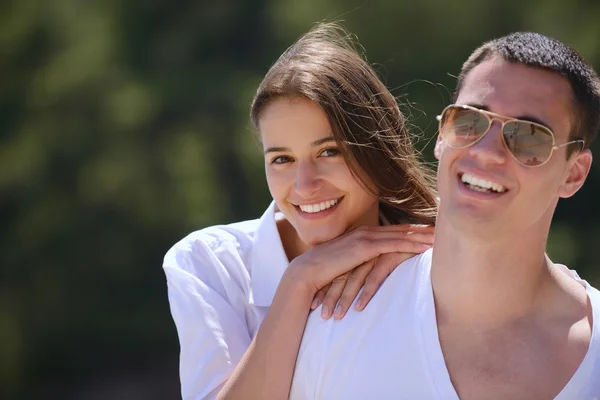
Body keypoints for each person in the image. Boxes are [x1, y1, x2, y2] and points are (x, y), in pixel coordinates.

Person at [291, 32, 600, 399]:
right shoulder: (337, 322)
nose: (486, 152)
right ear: (442, 134)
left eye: (529, 137)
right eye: (469, 121)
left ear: (574, 173)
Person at [162, 22, 439, 399]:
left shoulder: (437, 250)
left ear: (379, 150)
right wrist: (298, 283)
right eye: (282, 159)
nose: (304, 185)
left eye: (329, 152)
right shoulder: (210, 264)